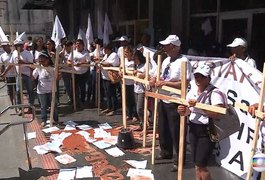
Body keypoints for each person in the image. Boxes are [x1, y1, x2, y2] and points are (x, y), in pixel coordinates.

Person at [150, 35, 192, 172]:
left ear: (174, 47)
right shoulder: (166, 60)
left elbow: (185, 83)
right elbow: (161, 76)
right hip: (163, 97)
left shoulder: (184, 61)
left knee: (177, 131)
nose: (164, 48)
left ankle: (179, 159)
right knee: (163, 128)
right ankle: (165, 151)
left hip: (175, 100)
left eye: (167, 46)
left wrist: (165, 83)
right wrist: (154, 79)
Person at [177, 64, 227, 180]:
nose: (198, 79)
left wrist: (200, 106)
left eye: (202, 77)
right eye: (196, 76)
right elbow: (187, 111)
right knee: (197, 164)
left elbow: (218, 114)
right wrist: (182, 110)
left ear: (208, 78)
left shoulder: (215, 93)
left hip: (207, 131)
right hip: (194, 129)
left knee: (201, 165)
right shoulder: (193, 91)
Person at [1, 37, 34, 115]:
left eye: (19, 45)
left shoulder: (27, 53)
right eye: (16, 45)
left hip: (28, 75)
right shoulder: (15, 53)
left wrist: (23, 63)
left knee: (30, 91)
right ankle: (20, 108)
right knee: (18, 92)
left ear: (22, 45)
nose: (17, 47)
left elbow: (32, 65)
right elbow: (11, 64)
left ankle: (30, 108)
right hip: (19, 75)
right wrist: (4, 72)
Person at [32, 50, 59, 127]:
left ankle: (55, 119)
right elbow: (33, 77)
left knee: (54, 105)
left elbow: (57, 78)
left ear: (47, 60)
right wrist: (31, 68)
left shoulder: (52, 68)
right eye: (41, 61)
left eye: (44, 60)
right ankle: (43, 120)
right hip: (41, 90)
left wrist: (58, 72)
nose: (42, 62)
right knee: (43, 106)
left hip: (52, 90)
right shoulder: (38, 68)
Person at [67, 39, 90, 107]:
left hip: (83, 73)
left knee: (82, 88)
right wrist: (70, 63)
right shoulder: (73, 52)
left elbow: (88, 62)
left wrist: (81, 63)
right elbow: (68, 61)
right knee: (74, 88)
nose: (78, 45)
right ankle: (74, 102)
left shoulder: (86, 53)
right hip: (75, 72)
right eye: (77, 44)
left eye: (79, 44)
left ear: (83, 45)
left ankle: (82, 101)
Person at [99, 43, 120, 116]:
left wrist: (101, 63)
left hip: (111, 78)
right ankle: (109, 107)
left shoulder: (114, 55)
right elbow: (103, 62)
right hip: (104, 77)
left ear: (109, 49)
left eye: (105, 49)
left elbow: (108, 64)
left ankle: (114, 109)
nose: (104, 50)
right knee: (107, 94)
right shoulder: (106, 55)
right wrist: (101, 63)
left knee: (112, 94)